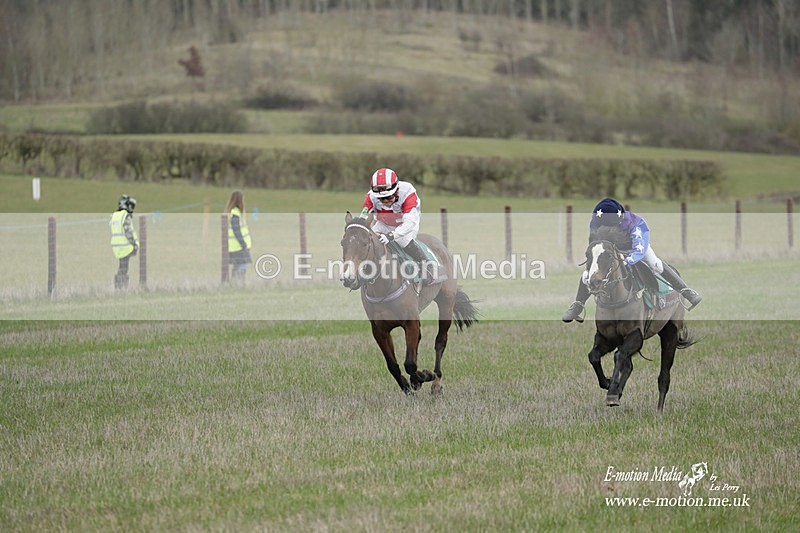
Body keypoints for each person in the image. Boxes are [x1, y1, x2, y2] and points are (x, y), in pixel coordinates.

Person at [562, 197, 702, 323]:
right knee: (587, 273)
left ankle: (686, 291)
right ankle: (578, 305)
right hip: (611, 251)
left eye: (611, 227)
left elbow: (639, 250)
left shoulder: (635, 224)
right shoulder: (596, 221)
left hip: (636, 248)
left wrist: (627, 260)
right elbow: (594, 247)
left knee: (655, 264)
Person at [359, 167, 437, 282]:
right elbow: (364, 216)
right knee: (370, 240)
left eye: (389, 197)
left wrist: (391, 236)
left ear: (396, 190)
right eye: (381, 198)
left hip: (406, 224)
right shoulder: (371, 196)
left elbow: (409, 222)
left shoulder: (408, 192)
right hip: (384, 223)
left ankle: (426, 265)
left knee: (402, 240)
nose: (385, 201)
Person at [109, 194, 139, 291]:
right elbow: (128, 231)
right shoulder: (124, 216)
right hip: (125, 246)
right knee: (124, 268)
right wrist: (134, 244)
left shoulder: (115, 216)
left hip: (116, 246)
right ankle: (121, 288)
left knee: (122, 266)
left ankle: (118, 287)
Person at [226, 189, 252, 282]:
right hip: (238, 247)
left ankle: (235, 283)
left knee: (238, 266)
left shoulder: (234, 213)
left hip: (237, 246)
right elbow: (236, 230)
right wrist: (243, 244)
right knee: (242, 266)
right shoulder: (235, 214)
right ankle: (238, 283)